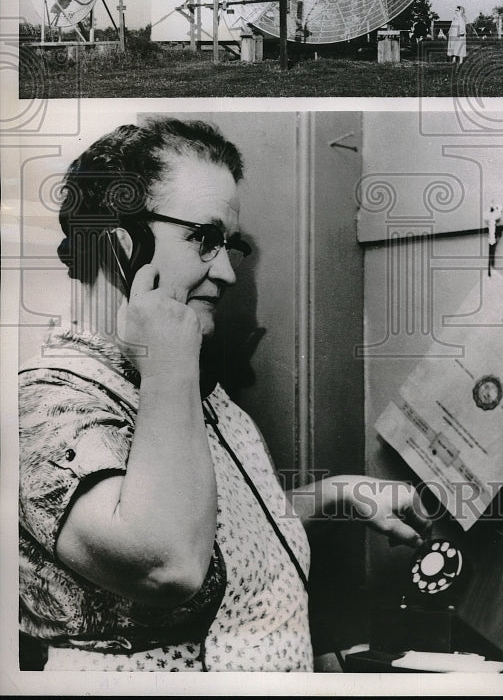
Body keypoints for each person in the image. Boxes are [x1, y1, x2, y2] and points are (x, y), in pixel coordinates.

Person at [18, 117, 430, 672]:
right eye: (204, 239)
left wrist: (333, 493)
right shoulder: (45, 405)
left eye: (229, 244)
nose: (229, 272)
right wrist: (167, 364)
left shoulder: (196, 390)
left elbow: (222, 538)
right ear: (116, 243)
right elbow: (170, 564)